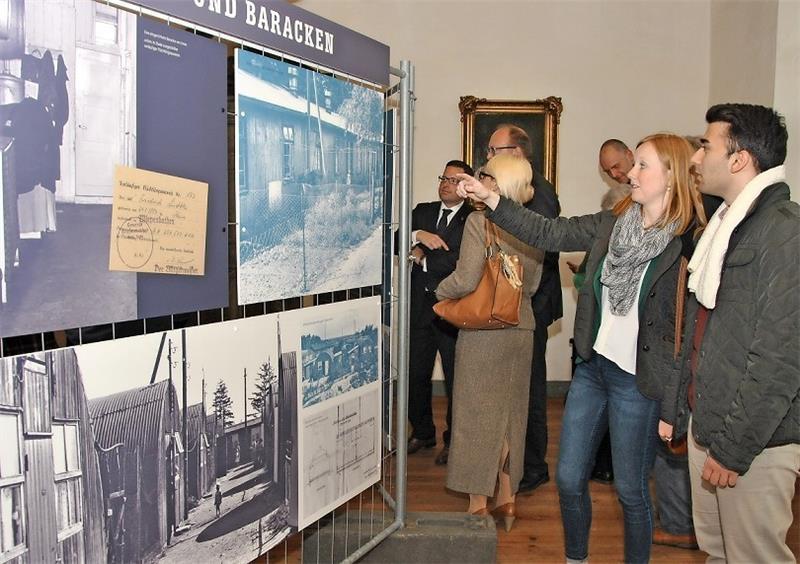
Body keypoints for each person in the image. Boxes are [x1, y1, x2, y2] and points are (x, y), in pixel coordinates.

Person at [457, 133, 706, 563]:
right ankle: (576, 559)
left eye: (642, 165)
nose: (631, 173)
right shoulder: (612, 221)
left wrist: (673, 407)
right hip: (593, 370)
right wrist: (491, 198)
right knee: (570, 480)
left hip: (638, 382)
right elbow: (548, 231)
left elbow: (688, 333)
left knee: (631, 491)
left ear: (672, 175)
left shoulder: (690, 241)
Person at [669, 103, 799, 562]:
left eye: (706, 146)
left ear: (740, 158)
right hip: (708, 425)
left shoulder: (782, 231)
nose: (696, 158)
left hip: (753, 442)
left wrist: (734, 449)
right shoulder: (725, 224)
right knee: (719, 553)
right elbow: (702, 327)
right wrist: (680, 409)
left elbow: (780, 359)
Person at [436, 154, 543, 530]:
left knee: (475, 417)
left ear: (497, 185)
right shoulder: (534, 225)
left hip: (484, 332)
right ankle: (508, 500)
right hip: (521, 330)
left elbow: (465, 279)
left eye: (485, 175)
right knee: (512, 415)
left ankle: (478, 503)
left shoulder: (479, 221)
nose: (478, 179)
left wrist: (438, 291)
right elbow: (530, 285)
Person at [485, 124, 562, 494]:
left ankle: (533, 466)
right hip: (515, 306)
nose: (487, 158)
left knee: (529, 392)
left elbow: (536, 254)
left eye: (493, 150)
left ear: (515, 153)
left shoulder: (539, 193)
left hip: (529, 307)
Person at [406, 159, 474, 465]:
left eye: (453, 180)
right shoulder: (422, 211)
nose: (445, 184)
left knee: (455, 379)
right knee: (415, 374)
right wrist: (418, 236)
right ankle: (422, 431)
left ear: (466, 186)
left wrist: (422, 259)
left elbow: (460, 262)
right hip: (419, 309)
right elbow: (393, 239)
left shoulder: (474, 218)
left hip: (454, 312)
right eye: (442, 178)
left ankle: (453, 441)